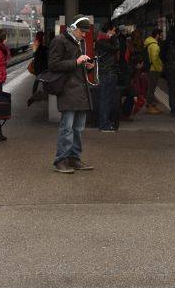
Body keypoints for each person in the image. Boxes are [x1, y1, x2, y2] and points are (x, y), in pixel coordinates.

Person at [48, 15, 95, 173]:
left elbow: (76, 65)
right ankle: (61, 160)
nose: (84, 35)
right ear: (73, 28)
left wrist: (88, 66)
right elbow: (53, 65)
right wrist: (76, 62)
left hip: (80, 91)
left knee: (78, 128)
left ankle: (74, 159)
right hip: (68, 90)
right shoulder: (59, 41)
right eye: (82, 31)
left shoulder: (78, 42)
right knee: (66, 128)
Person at [94, 21, 120, 131]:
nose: (115, 33)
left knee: (107, 99)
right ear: (109, 30)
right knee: (106, 99)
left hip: (108, 73)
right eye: (113, 30)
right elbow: (116, 47)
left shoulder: (102, 41)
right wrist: (113, 38)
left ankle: (105, 122)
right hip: (107, 73)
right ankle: (104, 123)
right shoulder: (103, 42)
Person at [144, 28, 163, 114]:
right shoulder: (155, 46)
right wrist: (159, 68)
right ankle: (149, 106)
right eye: (160, 35)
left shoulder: (149, 43)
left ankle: (152, 106)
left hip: (150, 68)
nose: (161, 36)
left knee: (151, 88)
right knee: (151, 89)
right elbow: (155, 58)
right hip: (153, 69)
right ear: (157, 35)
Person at [26, 31, 48, 106]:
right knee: (44, 82)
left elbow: (35, 54)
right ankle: (35, 96)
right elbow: (42, 54)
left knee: (37, 81)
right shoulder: (41, 45)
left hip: (38, 67)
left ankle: (33, 96)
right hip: (42, 67)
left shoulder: (36, 43)